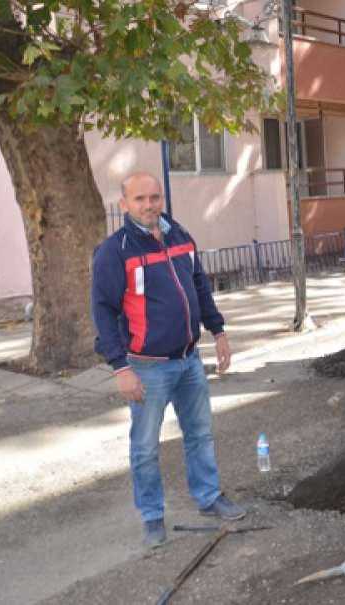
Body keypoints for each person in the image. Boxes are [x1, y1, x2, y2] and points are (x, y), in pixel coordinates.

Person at [91, 172, 245, 550]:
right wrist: (120, 367)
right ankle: (152, 515)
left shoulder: (179, 235)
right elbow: (103, 310)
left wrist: (218, 331)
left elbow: (199, 285)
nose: (149, 205)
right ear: (124, 204)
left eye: (154, 197)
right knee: (145, 445)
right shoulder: (116, 250)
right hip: (147, 366)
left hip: (189, 359)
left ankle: (208, 497)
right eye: (140, 198)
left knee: (200, 434)